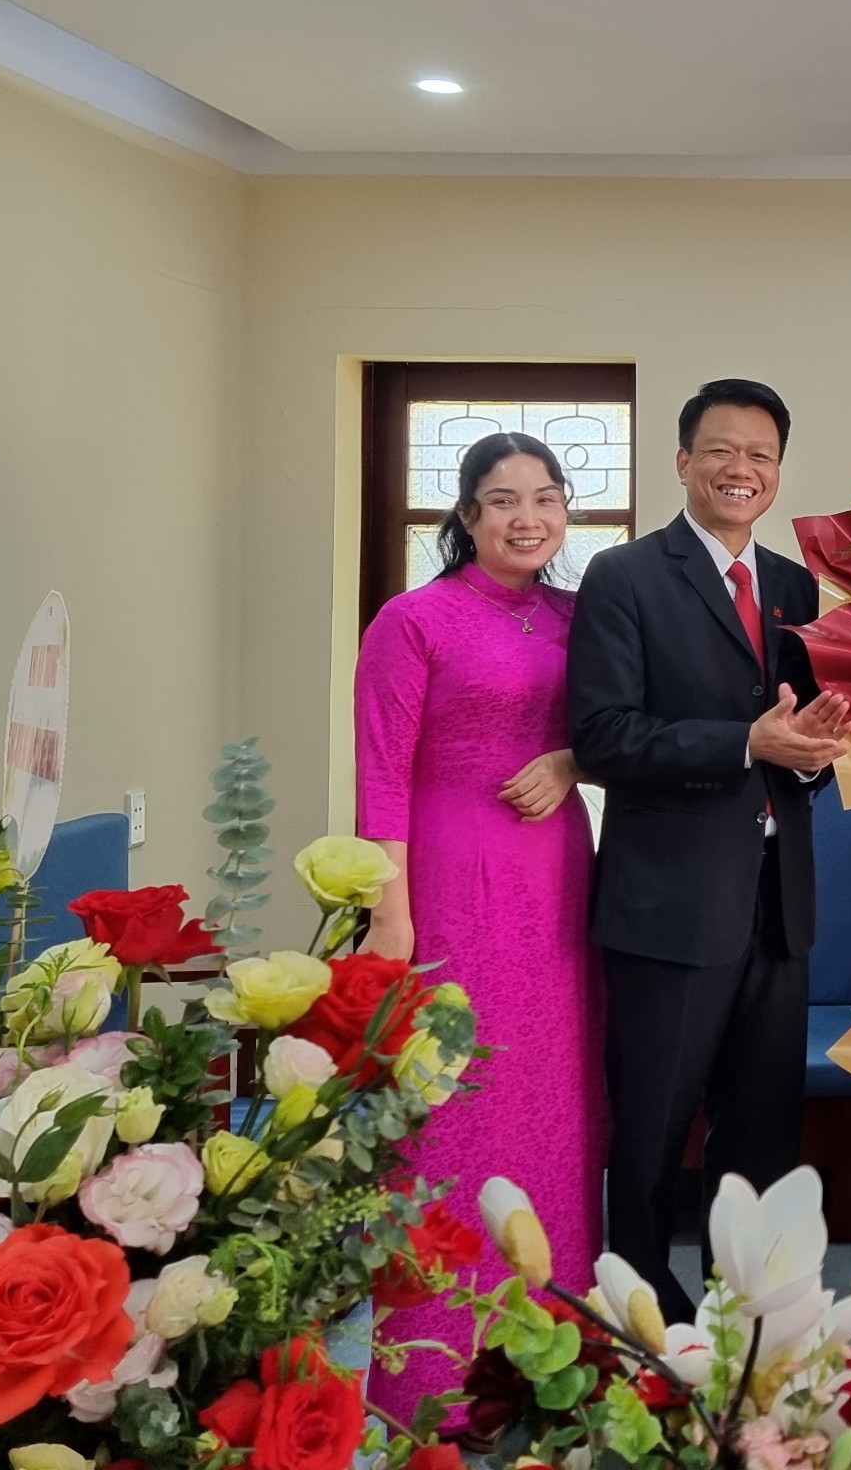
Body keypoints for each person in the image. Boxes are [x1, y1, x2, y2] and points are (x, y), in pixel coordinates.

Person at [567, 377, 848, 1321]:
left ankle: (747, 1321)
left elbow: (796, 736)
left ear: (778, 472)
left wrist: (815, 754)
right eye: (721, 451)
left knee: (762, 1133)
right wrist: (744, 744)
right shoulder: (624, 577)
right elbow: (603, 735)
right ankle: (642, 1318)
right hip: (669, 903)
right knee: (652, 1133)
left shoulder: (796, 588)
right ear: (684, 460)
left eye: (760, 455)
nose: (741, 469)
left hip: (778, 899)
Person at [353, 431, 605, 1421]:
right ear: (466, 515)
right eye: (504, 500)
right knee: (454, 1098)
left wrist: (572, 761)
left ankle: (550, 1358)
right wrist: (390, 913)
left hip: (557, 881)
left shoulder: (581, 617)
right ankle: (435, 1378)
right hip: (450, 879)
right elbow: (380, 773)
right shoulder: (413, 620)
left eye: (546, 498)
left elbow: (617, 726)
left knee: (555, 1097)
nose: (528, 518)